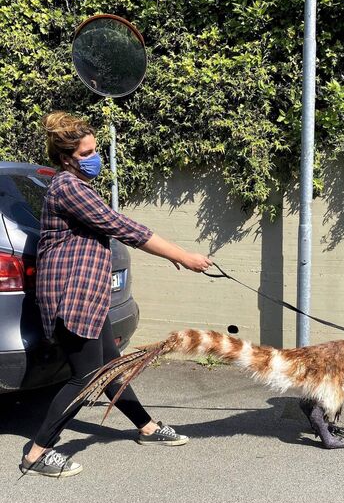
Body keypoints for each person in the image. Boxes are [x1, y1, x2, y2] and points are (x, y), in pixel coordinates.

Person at [20, 111, 212, 478]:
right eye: (87, 152)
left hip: (89, 297)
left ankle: (147, 427)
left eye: (95, 150)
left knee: (110, 368)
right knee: (87, 377)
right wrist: (182, 255)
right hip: (71, 297)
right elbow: (122, 226)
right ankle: (37, 452)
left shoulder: (76, 185)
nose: (95, 158)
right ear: (66, 158)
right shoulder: (68, 188)